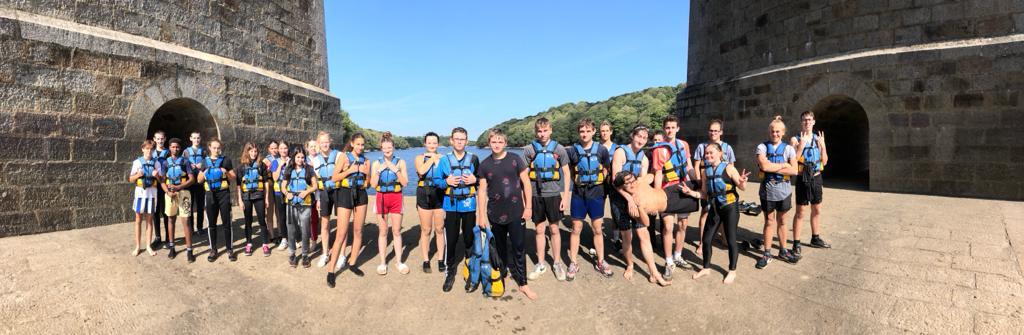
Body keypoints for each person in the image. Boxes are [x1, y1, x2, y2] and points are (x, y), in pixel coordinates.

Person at [476, 128, 538, 300]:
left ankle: (523, 283)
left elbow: (526, 184)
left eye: (500, 141)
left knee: (519, 247)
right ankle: (501, 276)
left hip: (516, 211)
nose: (496, 145)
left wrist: (528, 207)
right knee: (500, 248)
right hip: (495, 213)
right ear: (489, 143)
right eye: (493, 142)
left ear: (505, 143)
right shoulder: (484, 165)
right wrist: (480, 216)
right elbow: (481, 192)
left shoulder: (515, 159)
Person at [609, 125, 669, 286]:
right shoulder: (620, 152)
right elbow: (615, 181)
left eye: (644, 137)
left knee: (644, 234)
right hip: (619, 198)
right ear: (632, 136)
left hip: (635, 199)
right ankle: (630, 265)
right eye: (639, 136)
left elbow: (641, 182)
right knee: (627, 236)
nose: (641, 140)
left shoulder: (643, 158)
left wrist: (640, 201)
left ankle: (654, 271)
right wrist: (628, 199)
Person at [689, 143, 749, 284]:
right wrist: (690, 192)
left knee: (730, 240)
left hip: (730, 208)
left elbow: (742, 187)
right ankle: (706, 268)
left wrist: (743, 181)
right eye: (706, 153)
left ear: (720, 153)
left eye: (711, 153)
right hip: (715, 208)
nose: (708, 155)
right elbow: (704, 194)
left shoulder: (728, 168)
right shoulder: (705, 172)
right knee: (706, 240)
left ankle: (732, 270)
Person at [523, 117, 571, 281]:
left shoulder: (560, 149)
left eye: (545, 131)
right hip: (536, 195)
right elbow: (523, 178)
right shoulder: (528, 150)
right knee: (539, 230)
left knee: (555, 230)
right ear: (536, 132)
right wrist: (526, 202)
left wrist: (565, 197)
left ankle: (557, 263)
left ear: (550, 130)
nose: (542, 134)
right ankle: (541, 263)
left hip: (553, 195)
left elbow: (566, 173)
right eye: (539, 131)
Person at [433, 127, 481, 292]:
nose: (460, 141)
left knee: (469, 239)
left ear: (466, 141)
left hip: (469, 204)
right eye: (457, 139)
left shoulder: (474, 159)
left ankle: (470, 269)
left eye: (463, 139)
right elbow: (436, 180)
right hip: (451, 205)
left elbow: (482, 181)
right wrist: (447, 182)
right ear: (451, 141)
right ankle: (450, 272)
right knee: (451, 240)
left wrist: (475, 180)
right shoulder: (444, 160)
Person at [649, 115, 697, 280]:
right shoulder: (658, 149)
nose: (670, 130)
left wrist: (697, 182)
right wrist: (656, 197)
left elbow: (689, 166)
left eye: (672, 127)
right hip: (667, 190)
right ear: (664, 129)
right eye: (667, 127)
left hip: (684, 188)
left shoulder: (684, 145)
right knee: (668, 227)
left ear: (678, 128)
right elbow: (658, 174)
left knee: (683, 225)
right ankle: (669, 261)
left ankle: (678, 255)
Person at [566, 118, 613, 279]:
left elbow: (606, 170)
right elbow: (571, 172)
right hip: (579, 195)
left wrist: (596, 181)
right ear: (578, 133)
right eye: (581, 131)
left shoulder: (601, 150)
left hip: (596, 194)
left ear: (594, 132)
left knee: (597, 229)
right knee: (576, 228)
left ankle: (600, 260)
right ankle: (573, 262)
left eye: (587, 131)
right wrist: (580, 182)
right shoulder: (572, 151)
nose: (584, 134)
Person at [325, 133, 371, 287]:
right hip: (345, 194)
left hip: (361, 195)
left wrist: (366, 175)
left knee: (358, 231)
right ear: (352, 143)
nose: (360, 147)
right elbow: (334, 178)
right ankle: (331, 270)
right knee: (341, 233)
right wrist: (350, 171)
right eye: (358, 144)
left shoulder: (367, 161)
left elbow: (368, 183)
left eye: (362, 144)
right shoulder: (344, 157)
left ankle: (352, 263)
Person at [755, 116, 799, 268]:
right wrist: (783, 165)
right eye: (773, 131)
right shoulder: (762, 147)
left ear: (783, 132)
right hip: (768, 189)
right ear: (769, 132)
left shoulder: (788, 149)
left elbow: (794, 170)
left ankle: (783, 250)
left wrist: (773, 165)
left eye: (778, 131)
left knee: (783, 221)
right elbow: (764, 167)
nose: (775, 134)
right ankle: (767, 253)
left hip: (784, 189)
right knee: (769, 221)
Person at [692, 119, 736, 253]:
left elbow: (731, 167)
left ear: (721, 132)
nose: (713, 133)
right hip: (708, 184)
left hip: (722, 187)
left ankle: (723, 238)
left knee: (723, 212)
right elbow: (697, 165)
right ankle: (701, 242)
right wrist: (700, 182)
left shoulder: (727, 148)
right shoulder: (701, 147)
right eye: (711, 130)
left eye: (716, 131)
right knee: (705, 212)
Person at [791, 111, 831, 258]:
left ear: (813, 122)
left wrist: (823, 146)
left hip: (816, 177)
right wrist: (800, 147)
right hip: (803, 179)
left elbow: (824, 162)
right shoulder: (795, 140)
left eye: (809, 120)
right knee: (800, 212)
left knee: (817, 209)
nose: (807, 122)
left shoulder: (818, 139)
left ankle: (815, 238)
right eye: (804, 120)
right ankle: (796, 242)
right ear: (801, 122)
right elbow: (793, 161)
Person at [370, 132, 410, 275]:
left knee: (397, 231)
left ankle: (399, 262)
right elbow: (373, 185)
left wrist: (396, 170)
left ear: (393, 147)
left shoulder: (401, 162)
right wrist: (379, 172)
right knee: (383, 231)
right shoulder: (376, 163)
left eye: (389, 147)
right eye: (384, 148)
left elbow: (405, 183)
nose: (387, 150)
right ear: (381, 148)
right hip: (381, 198)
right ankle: (382, 262)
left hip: (396, 197)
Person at [196, 139, 236, 262]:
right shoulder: (204, 162)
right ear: (209, 148)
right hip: (210, 195)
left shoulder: (226, 160)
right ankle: (213, 249)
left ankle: (230, 249)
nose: (216, 150)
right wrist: (204, 172)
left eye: (218, 148)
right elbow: (199, 180)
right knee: (211, 224)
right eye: (214, 148)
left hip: (223, 194)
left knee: (227, 222)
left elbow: (233, 177)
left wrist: (226, 173)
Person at [415, 132, 446, 273]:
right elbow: (421, 171)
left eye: (435, 143)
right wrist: (432, 158)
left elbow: (446, 172)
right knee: (426, 229)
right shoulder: (419, 158)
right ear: (425, 144)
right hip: (424, 194)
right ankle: (426, 259)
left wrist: (438, 159)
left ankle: (440, 259)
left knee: (439, 229)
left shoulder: (443, 158)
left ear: (438, 144)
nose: (432, 145)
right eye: (429, 143)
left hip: (440, 194)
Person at [161, 138, 196, 262]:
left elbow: (192, 179)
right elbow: (162, 181)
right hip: (170, 194)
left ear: (180, 148)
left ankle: (189, 250)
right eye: (173, 147)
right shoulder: (165, 163)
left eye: (177, 147)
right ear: (169, 148)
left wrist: (179, 187)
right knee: (171, 219)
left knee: (186, 220)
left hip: (184, 193)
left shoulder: (185, 162)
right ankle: (172, 247)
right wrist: (167, 191)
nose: (175, 149)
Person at [282, 148, 317, 268]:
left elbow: (315, 186)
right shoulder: (289, 169)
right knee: (291, 229)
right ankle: (292, 253)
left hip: (305, 204)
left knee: (305, 229)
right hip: (291, 203)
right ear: (294, 157)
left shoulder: (309, 169)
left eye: (302, 157)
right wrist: (287, 194)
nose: (300, 159)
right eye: (298, 157)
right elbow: (283, 186)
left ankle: (305, 255)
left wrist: (306, 192)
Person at [237, 142, 271, 257]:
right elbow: (238, 185)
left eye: (255, 151)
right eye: (251, 151)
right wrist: (240, 201)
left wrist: (266, 198)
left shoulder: (261, 165)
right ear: (247, 152)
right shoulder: (241, 167)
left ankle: (265, 244)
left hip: (259, 196)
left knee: (262, 220)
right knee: (248, 221)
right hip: (246, 197)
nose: (253, 153)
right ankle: (249, 243)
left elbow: (266, 182)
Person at [311, 133, 340, 268]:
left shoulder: (339, 156)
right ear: (319, 143)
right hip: (323, 193)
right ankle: (325, 253)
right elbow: (315, 183)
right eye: (322, 142)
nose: (325, 144)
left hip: (338, 191)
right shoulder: (315, 160)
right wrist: (317, 199)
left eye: (326, 142)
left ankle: (341, 253)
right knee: (325, 224)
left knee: (342, 223)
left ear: (330, 141)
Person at [129, 140, 162, 257]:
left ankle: (148, 245)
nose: (149, 151)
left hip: (152, 194)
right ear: (142, 149)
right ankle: (138, 246)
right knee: (138, 219)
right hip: (140, 194)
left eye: (151, 149)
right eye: (147, 148)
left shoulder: (156, 163)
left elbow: (161, 180)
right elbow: (130, 179)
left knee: (149, 220)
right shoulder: (137, 162)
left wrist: (156, 175)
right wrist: (138, 175)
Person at [599, 121, 623, 251]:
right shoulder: (596, 147)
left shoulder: (618, 148)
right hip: (600, 184)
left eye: (606, 130)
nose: (604, 133)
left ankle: (615, 238)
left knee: (615, 212)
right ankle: (597, 238)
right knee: (598, 212)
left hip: (613, 184)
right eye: (602, 131)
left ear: (611, 132)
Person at [183, 132, 206, 235]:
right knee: (190, 206)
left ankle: (200, 228)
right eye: (194, 138)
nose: (196, 140)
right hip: (190, 181)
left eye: (198, 138)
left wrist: (202, 164)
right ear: (190, 138)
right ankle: (191, 228)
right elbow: (182, 163)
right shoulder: (186, 152)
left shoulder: (204, 151)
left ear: (200, 139)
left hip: (200, 182)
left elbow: (208, 162)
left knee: (200, 205)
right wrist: (189, 165)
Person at [152, 131, 170, 250]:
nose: (160, 141)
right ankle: (157, 237)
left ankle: (168, 238)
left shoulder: (168, 153)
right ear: (154, 139)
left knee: (166, 211)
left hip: (165, 184)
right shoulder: (150, 152)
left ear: (165, 139)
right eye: (158, 139)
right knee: (155, 212)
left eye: (162, 139)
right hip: (153, 186)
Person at [273, 142, 291, 251]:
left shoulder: (292, 161)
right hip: (279, 193)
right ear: (278, 150)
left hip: (290, 192)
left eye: (285, 148)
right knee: (282, 217)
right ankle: (284, 239)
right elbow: (275, 177)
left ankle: (292, 238)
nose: (283, 150)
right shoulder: (275, 162)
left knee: (292, 217)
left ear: (288, 149)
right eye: (281, 148)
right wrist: (280, 165)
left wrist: (288, 163)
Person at [305, 139, 321, 251]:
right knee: (304, 218)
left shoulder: (321, 159)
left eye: (315, 146)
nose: (313, 148)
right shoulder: (303, 159)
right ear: (307, 148)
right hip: (307, 191)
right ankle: (305, 239)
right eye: (311, 146)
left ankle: (314, 240)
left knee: (314, 217)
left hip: (319, 191)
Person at [263, 141, 279, 248]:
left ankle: (281, 234)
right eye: (272, 148)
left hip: (278, 187)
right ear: (269, 149)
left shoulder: (280, 159)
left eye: (276, 148)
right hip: (269, 186)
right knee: (269, 212)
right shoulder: (265, 160)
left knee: (279, 211)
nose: (274, 150)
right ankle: (272, 235)